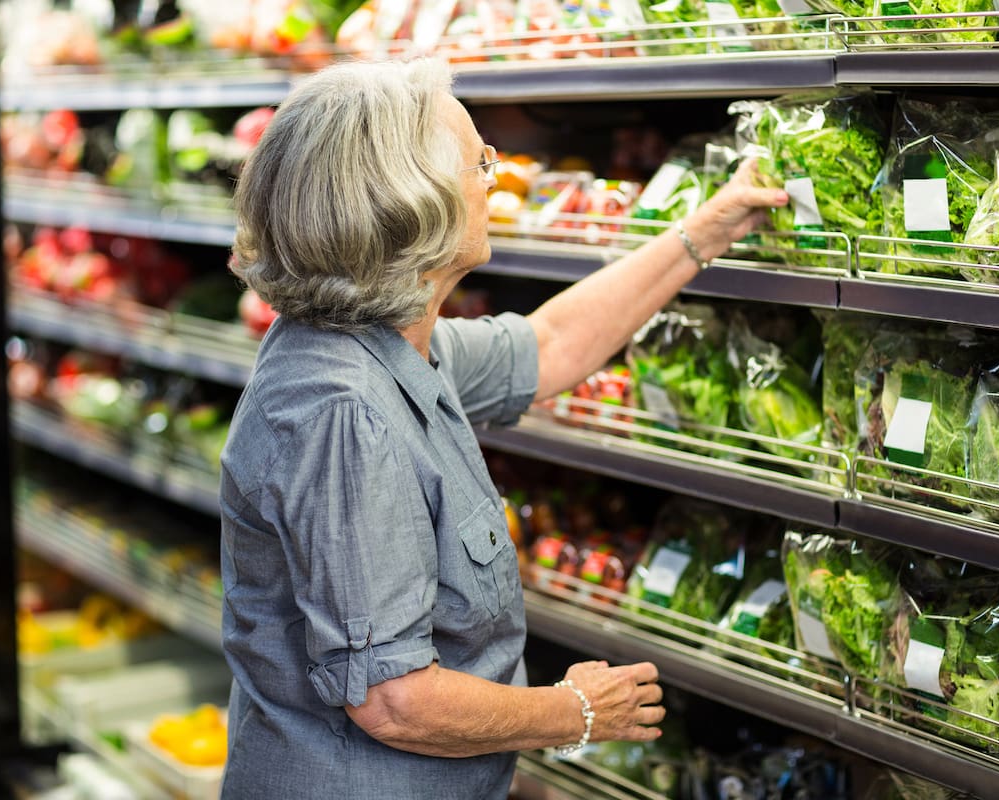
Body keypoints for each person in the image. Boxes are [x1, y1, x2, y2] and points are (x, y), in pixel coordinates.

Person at [219, 57, 789, 800]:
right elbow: (392, 699)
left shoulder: (386, 341)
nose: (497, 177)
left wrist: (701, 234)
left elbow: (549, 346)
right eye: (480, 160)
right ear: (409, 201)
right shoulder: (344, 412)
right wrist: (575, 711)